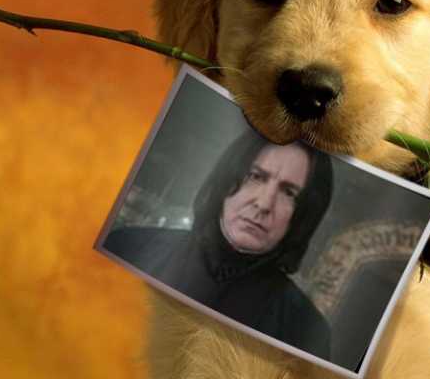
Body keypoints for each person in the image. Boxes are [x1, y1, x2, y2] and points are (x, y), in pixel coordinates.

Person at [103, 129, 334, 359]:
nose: (264, 204)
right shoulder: (126, 247)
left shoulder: (304, 332)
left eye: (289, 193)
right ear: (225, 179)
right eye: (256, 176)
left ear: (304, 216)